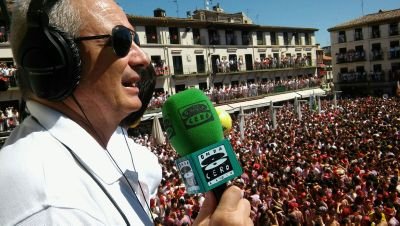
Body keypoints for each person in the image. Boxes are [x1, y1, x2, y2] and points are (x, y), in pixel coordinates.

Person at [0, 0, 252, 225]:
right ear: (52, 59)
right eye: (120, 40)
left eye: (136, 40)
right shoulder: (50, 206)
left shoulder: (118, 148)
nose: (143, 58)